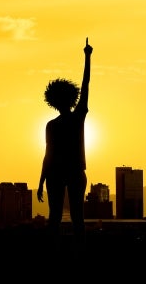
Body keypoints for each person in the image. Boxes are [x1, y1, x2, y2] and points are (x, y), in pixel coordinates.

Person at [37, 37, 92, 252]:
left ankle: (55, 250)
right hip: (71, 172)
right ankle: (77, 251)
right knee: (75, 216)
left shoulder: (54, 124)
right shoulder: (75, 117)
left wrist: (41, 181)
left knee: (56, 217)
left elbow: (47, 155)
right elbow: (86, 85)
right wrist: (87, 57)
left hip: (61, 173)